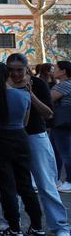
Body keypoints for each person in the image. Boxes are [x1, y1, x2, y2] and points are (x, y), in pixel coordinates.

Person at [10, 53, 70, 236]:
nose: (15, 74)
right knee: (12, 183)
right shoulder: (3, 85)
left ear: (27, 69)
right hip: (10, 137)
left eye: (19, 70)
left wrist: (30, 94)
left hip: (35, 135)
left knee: (46, 182)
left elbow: (47, 113)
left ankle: (60, 225)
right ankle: (11, 223)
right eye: (11, 70)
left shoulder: (39, 84)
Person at [0, 60, 44, 236]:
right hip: (20, 138)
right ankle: (37, 226)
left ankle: (14, 228)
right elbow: (25, 122)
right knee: (25, 184)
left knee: (7, 187)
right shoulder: (24, 95)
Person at [51, 61, 71, 193]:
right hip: (62, 123)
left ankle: (69, 181)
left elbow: (48, 98)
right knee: (55, 151)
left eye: (55, 68)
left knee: (65, 153)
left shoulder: (65, 85)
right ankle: (57, 179)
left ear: (63, 71)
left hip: (62, 123)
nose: (53, 71)